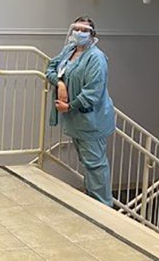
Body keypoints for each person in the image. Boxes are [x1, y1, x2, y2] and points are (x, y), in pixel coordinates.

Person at [45, 16, 115, 206]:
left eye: (85, 30)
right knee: (87, 164)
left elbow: (92, 92)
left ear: (93, 35)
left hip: (92, 121)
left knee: (96, 166)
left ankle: (103, 209)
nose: (79, 33)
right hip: (76, 122)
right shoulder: (69, 51)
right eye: (76, 29)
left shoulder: (96, 58)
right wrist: (60, 84)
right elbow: (51, 67)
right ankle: (94, 204)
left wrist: (70, 106)